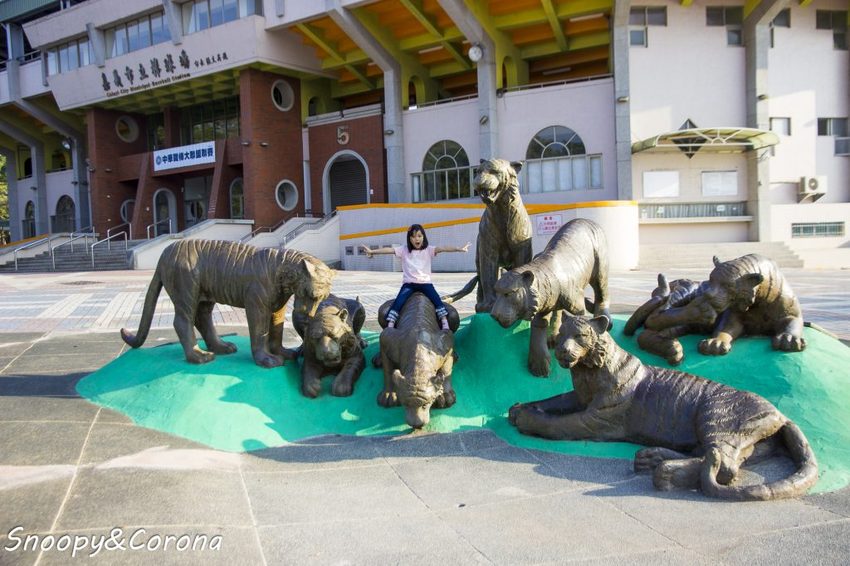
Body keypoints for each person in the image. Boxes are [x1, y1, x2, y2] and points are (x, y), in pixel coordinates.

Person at [360, 224, 470, 330]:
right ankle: (391, 323)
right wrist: (372, 251)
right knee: (399, 301)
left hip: (425, 283)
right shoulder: (404, 250)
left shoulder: (429, 250)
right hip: (409, 284)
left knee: (437, 300)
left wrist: (460, 249)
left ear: (423, 237)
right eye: (413, 236)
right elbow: (389, 250)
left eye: (419, 236)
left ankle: (444, 321)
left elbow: (444, 248)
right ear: (409, 238)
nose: (416, 239)